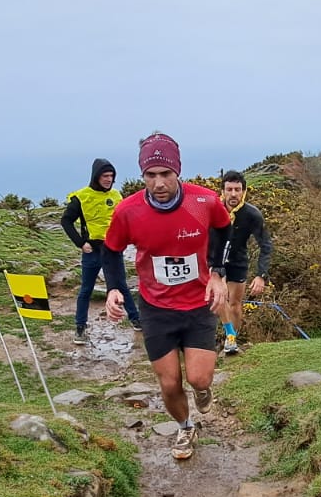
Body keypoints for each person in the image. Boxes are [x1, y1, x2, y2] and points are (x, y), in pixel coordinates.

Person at [101, 132, 231, 460]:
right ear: (142, 175)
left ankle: (202, 390)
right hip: (156, 307)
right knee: (170, 383)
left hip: (199, 303)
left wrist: (217, 273)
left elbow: (224, 230)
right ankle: (186, 428)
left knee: (200, 377)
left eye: (166, 174)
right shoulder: (128, 211)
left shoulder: (204, 201)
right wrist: (115, 288)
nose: (158, 183)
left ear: (178, 172)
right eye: (150, 175)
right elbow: (112, 251)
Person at [60, 158, 142, 344]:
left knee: (121, 285)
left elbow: (125, 219)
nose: (108, 179)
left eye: (111, 176)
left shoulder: (116, 196)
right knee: (86, 290)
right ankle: (80, 327)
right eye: (105, 176)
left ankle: (136, 320)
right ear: (96, 177)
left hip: (113, 250)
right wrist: (80, 243)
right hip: (92, 251)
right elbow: (66, 221)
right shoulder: (81, 197)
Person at [215, 170, 273, 355]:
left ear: (244, 191)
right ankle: (228, 333)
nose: (233, 194)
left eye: (237, 190)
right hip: (215, 259)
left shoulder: (252, 214)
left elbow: (266, 245)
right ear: (223, 191)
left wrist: (261, 275)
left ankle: (231, 339)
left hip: (238, 260)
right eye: (229, 189)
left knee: (235, 304)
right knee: (220, 298)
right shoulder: (213, 208)